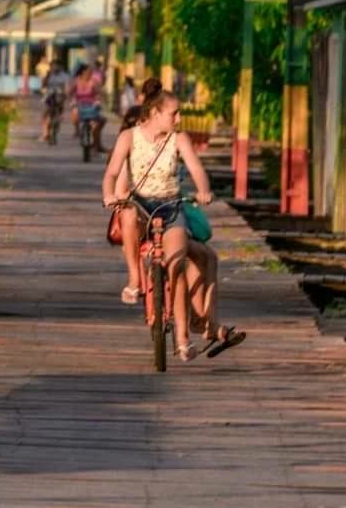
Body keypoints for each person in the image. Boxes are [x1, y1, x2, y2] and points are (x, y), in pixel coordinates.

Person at [102, 79, 244, 362]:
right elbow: (111, 172)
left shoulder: (179, 139)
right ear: (155, 113)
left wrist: (203, 190)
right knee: (127, 213)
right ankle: (134, 278)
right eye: (174, 113)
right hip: (141, 206)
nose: (178, 119)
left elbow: (196, 169)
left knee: (176, 264)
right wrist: (109, 195)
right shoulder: (129, 138)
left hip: (171, 206)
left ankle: (182, 338)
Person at [72, 62, 105, 151]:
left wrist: (98, 102)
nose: (90, 73)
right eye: (88, 71)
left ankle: (97, 145)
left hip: (91, 106)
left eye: (90, 71)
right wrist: (72, 99)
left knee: (99, 123)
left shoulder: (93, 82)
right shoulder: (76, 81)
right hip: (79, 105)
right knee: (74, 112)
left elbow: (99, 93)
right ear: (82, 72)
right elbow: (70, 92)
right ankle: (77, 130)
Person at [40, 59, 69, 142]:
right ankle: (45, 133)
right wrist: (46, 77)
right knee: (45, 114)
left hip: (60, 96)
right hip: (49, 96)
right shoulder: (49, 74)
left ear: (60, 67)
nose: (54, 67)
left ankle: (57, 122)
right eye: (52, 66)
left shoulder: (64, 76)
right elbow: (43, 85)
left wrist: (65, 94)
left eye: (56, 66)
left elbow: (67, 87)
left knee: (58, 113)